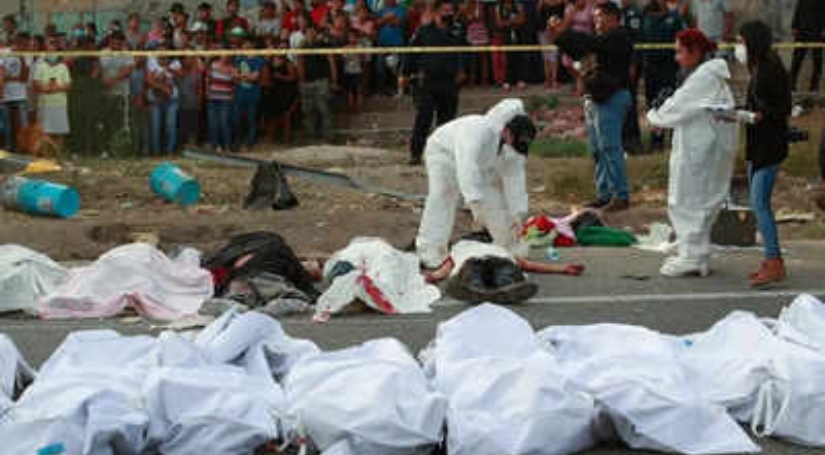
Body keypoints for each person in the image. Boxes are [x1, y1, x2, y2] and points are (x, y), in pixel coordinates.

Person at [646, 29, 738, 277]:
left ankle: (693, 256)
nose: (676, 57)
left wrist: (654, 116)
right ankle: (692, 246)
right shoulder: (707, 75)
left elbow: (679, 105)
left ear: (695, 52)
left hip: (700, 150)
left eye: (680, 52)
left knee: (687, 199)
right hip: (702, 146)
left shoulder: (705, 77)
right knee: (697, 199)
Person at [415, 99, 537, 269]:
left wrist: (518, 213)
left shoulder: (513, 146)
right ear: (507, 131)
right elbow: (467, 164)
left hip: (481, 164)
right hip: (444, 152)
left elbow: (515, 178)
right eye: (515, 142)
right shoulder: (477, 130)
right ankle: (430, 251)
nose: (515, 148)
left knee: (494, 199)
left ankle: (508, 246)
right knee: (443, 196)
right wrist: (474, 203)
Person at [551, 1, 634, 212]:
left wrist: (566, 30)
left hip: (612, 97)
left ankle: (620, 195)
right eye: (595, 17)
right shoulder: (601, 39)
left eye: (600, 16)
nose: (596, 21)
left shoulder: (619, 36)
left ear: (613, 17)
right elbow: (578, 50)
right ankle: (604, 195)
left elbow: (590, 43)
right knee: (598, 150)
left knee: (610, 148)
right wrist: (560, 36)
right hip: (596, 97)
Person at [737, 21, 793, 287]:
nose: (739, 46)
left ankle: (774, 261)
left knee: (760, 203)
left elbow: (782, 107)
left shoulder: (772, 68)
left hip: (769, 145)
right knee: (758, 202)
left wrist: (761, 115)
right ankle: (771, 259)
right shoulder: (758, 65)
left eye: (742, 41)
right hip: (757, 143)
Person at [401, 1, 466, 166]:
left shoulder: (457, 31)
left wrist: (462, 70)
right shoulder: (423, 31)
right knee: (424, 117)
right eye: (445, 10)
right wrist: (405, 74)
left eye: (451, 10)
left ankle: (444, 155)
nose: (449, 13)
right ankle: (416, 153)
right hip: (427, 81)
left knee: (447, 121)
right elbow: (411, 54)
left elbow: (464, 53)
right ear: (437, 12)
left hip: (449, 82)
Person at [642, 0, 685, 151]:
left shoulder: (674, 18)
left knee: (671, 103)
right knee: (653, 103)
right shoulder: (646, 15)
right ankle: (656, 141)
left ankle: (674, 140)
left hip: (668, 68)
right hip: (650, 68)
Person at [297, 26, 338, 141]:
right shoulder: (302, 47)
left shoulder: (324, 45)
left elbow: (332, 63)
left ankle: (329, 136)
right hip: (306, 83)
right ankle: (311, 136)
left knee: (325, 109)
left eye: (312, 31)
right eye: (308, 32)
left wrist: (334, 81)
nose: (310, 34)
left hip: (322, 81)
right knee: (308, 111)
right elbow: (300, 64)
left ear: (316, 33)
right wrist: (300, 82)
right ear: (305, 34)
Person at [33, 38, 72, 147]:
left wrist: (56, 88)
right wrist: (47, 89)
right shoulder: (39, 65)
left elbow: (68, 84)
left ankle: (59, 153)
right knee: (44, 131)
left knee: (60, 131)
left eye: (54, 50)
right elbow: (36, 84)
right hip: (44, 104)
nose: (51, 53)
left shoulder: (63, 66)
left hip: (60, 103)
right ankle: (46, 154)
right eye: (49, 50)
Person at [146, 42, 182, 155]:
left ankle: (170, 151)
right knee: (155, 127)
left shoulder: (175, 62)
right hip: (155, 99)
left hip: (172, 100)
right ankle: (156, 152)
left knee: (170, 126)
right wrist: (163, 87)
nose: (162, 53)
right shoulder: (151, 61)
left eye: (164, 50)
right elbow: (149, 80)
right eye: (159, 50)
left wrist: (168, 68)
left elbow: (180, 76)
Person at [232, 31, 266, 151]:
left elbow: (255, 77)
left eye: (247, 43)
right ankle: (237, 142)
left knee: (251, 120)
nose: (245, 45)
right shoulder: (238, 58)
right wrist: (245, 76)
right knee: (237, 120)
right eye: (244, 43)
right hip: (239, 95)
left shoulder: (259, 59)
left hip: (253, 95)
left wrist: (240, 76)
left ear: (253, 45)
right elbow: (234, 76)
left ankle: (249, 143)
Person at [100, 31, 135, 139]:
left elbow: (128, 70)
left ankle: (121, 143)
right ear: (109, 41)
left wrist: (112, 80)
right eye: (113, 42)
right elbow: (98, 69)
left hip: (122, 93)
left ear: (122, 42)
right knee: (105, 120)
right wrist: (102, 82)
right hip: (105, 94)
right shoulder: (103, 53)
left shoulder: (127, 54)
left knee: (121, 121)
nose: (115, 45)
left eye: (118, 43)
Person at [263, 43, 299, 143]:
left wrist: (281, 77)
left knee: (286, 117)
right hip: (272, 92)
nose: (282, 50)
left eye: (284, 48)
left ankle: (286, 139)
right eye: (281, 47)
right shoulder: (269, 62)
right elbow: (265, 78)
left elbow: (293, 78)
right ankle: (271, 138)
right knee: (272, 117)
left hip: (285, 93)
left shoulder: (288, 63)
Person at [0, 32, 30, 152]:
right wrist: (7, 80)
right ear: (16, 41)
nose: (24, 45)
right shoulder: (4, 52)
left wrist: (21, 58)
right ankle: (8, 147)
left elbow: (24, 78)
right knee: (7, 125)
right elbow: (2, 75)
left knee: (23, 124)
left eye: (26, 43)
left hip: (21, 95)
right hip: (5, 95)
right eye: (21, 42)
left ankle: (23, 147)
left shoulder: (27, 55)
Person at [492, 0, 527, 91]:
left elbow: (522, 19)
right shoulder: (498, 7)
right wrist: (512, 21)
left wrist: (509, 22)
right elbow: (499, 23)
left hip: (519, 34)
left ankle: (520, 80)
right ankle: (507, 81)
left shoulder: (518, 4)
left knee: (519, 57)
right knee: (506, 58)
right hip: (505, 35)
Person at [790, 0, 823, 93]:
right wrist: (794, 26)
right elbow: (798, 9)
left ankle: (814, 87)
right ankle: (791, 85)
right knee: (796, 59)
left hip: (818, 31)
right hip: (802, 30)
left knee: (817, 61)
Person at [206, 46, 236, 152]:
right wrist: (207, 91)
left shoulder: (232, 68)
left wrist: (232, 95)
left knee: (224, 123)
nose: (225, 56)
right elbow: (208, 79)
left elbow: (234, 84)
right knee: (213, 124)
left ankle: (227, 146)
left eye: (227, 54)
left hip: (226, 99)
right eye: (223, 53)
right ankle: (215, 145)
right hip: (213, 98)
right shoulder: (213, 65)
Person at [537, 0, 566, 91]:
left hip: (556, 31)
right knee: (546, 57)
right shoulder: (542, 2)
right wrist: (547, 27)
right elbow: (538, 14)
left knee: (554, 57)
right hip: (543, 31)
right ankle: (547, 80)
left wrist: (556, 26)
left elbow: (563, 15)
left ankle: (554, 80)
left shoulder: (562, 2)